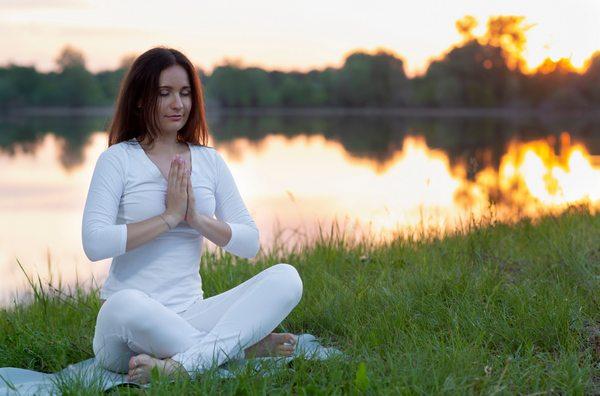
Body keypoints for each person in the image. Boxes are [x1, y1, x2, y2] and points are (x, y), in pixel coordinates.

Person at [81, 47, 303, 384]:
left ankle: (183, 365)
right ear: (141, 99)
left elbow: (249, 243)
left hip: (191, 316)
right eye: (164, 93)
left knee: (287, 277)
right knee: (122, 304)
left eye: (185, 93)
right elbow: (95, 243)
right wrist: (169, 218)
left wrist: (197, 219)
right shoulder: (117, 160)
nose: (178, 104)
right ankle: (237, 349)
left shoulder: (209, 161)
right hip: (125, 329)